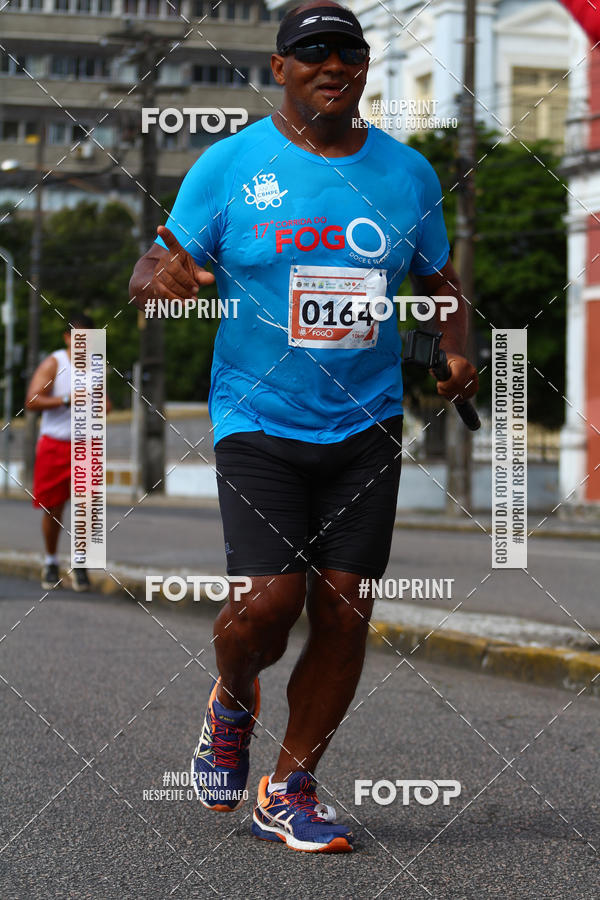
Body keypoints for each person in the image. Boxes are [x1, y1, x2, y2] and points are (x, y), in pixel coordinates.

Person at [129, 1, 478, 853]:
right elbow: (155, 261)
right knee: (266, 605)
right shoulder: (229, 165)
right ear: (279, 68)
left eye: (348, 51)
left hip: (366, 424)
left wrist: (457, 348)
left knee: (345, 609)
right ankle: (233, 694)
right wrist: (156, 281)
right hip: (257, 415)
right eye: (311, 51)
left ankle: (288, 790)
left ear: (365, 68)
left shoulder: (408, 176)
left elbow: (441, 282)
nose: (333, 63)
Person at [26, 312, 94, 592]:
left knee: (85, 508)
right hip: (55, 444)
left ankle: (80, 564)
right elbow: (32, 400)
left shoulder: (96, 367)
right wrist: (67, 399)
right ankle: (51, 561)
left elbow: (106, 403)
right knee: (53, 507)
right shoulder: (55, 363)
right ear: (68, 338)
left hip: (85, 445)